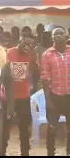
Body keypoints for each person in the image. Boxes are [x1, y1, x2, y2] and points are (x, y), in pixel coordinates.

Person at [2, 36, 36, 156]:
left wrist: (33, 56)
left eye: (30, 45)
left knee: (24, 128)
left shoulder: (31, 54)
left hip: (24, 96)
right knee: (6, 127)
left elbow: (34, 71)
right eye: (25, 44)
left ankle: (25, 152)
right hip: (9, 96)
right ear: (20, 42)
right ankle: (2, 151)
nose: (27, 47)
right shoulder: (9, 52)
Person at [41, 27, 70, 156]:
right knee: (52, 128)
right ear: (52, 38)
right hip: (54, 97)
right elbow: (45, 78)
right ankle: (50, 153)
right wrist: (48, 100)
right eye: (55, 35)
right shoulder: (47, 54)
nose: (58, 36)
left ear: (66, 36)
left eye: (60, 34)